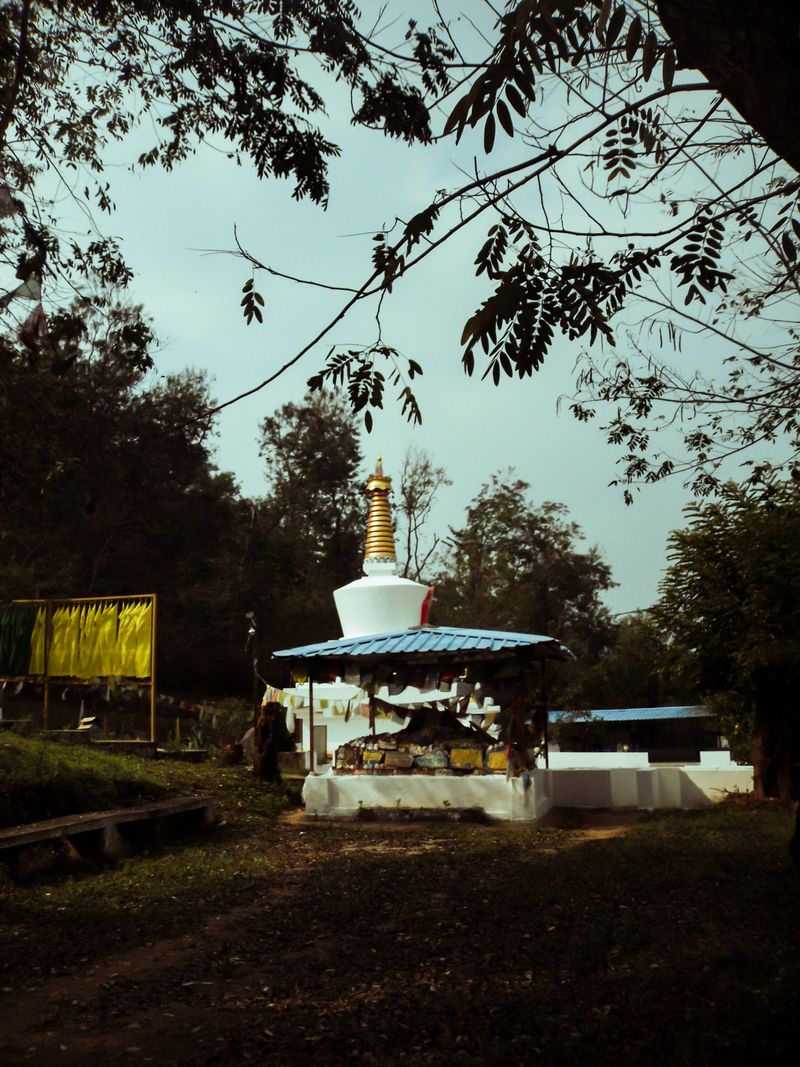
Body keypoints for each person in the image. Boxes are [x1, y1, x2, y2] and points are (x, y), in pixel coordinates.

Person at [254, 701, 283, 784]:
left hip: (268, 744)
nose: (262, 711)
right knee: (262, 760)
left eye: (263, 710)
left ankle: (269, 779)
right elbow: (258, 730)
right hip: (261, 743)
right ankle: (262, 778)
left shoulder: (271, 719)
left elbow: (272, 733)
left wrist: (267, 744)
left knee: (267, 760)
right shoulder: (262, 719)